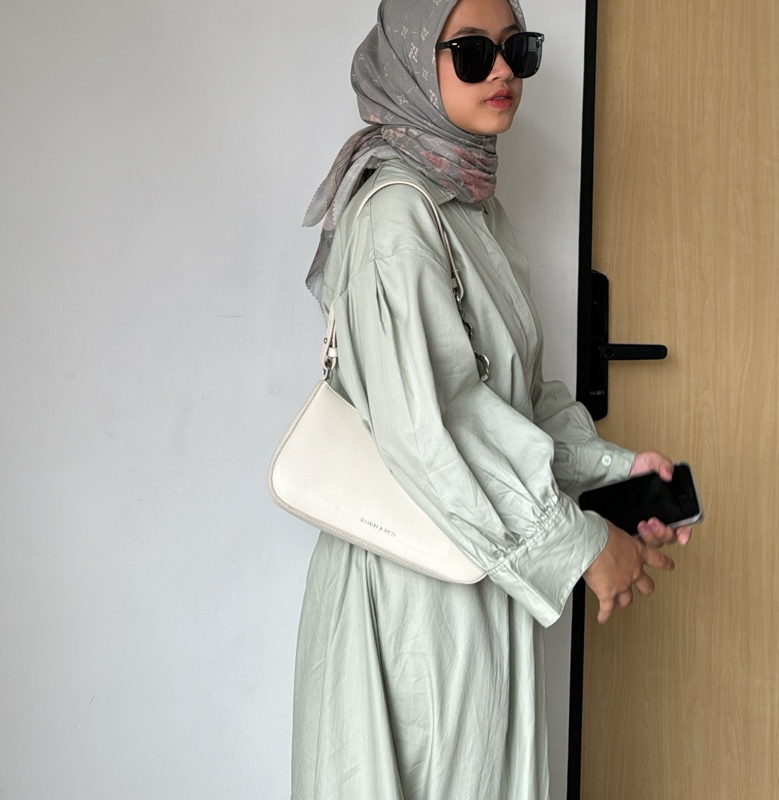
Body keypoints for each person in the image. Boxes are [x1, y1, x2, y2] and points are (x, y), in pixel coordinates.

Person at [292, 0, 691, 797]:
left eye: (518, 48)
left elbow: (509, 401)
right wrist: (575, 546)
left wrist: (613, 475)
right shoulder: (398, 215)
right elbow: (435, 426)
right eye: (473, 52)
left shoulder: (470, 208)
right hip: (413, 588)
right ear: (414, 59)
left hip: (470, 566)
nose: (504, 69)